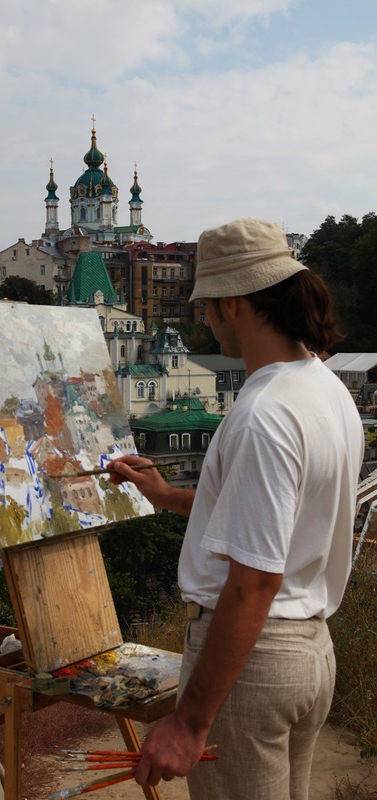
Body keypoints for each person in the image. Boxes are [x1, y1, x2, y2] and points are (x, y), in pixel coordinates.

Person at [109, 218, 364, 800]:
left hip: (254, 663)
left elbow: (253, 582)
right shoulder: (327, 390)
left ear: (230, 305)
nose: (203, 319)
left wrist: (190, 722)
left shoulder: (264, 413)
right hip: (307, 654)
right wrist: (166, 495)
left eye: (206, 307)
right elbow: (272, 519)